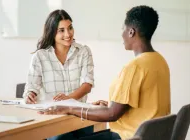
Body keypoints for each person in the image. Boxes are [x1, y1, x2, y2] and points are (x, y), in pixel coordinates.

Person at [38, 5, 171, 140]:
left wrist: (69, 109)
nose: (122, 34)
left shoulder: (135, 67)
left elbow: (112, 115)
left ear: (131, 32)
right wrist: (109, 106)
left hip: (128, 137)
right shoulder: (159, 61)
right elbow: (141, 105)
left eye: (123, 29)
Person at [23, 9, 94, 140]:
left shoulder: (83, 51)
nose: (68, 34)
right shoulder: (40, 56)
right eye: (61, 30)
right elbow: (31, 87)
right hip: (53, 117)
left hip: (80, 115)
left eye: (70, 28)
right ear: (52, 32)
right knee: (60, 138)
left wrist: (68, 100)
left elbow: (87, 84)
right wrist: (30, 95)